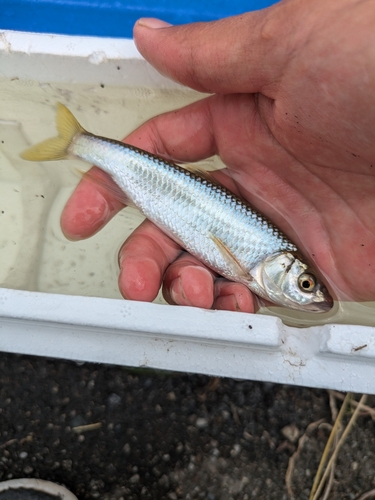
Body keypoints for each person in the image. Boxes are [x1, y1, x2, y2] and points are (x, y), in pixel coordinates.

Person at [61, 0, 375, 313]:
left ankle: (81, 144)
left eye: (306, 285)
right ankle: (81, 143)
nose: (310, 293)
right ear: (282, 264)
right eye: (305, 285)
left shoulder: (257, 265)